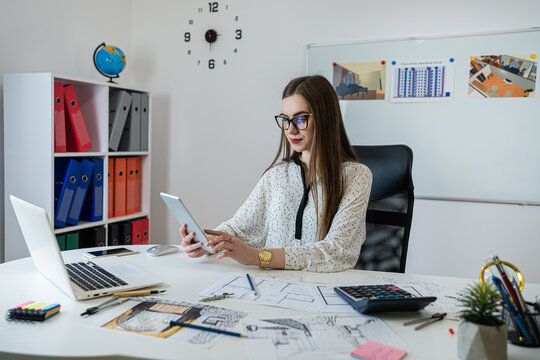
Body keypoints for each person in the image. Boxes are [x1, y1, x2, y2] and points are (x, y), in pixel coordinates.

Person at [180, 75, 372, 272]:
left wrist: (256, 256)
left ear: (325, 118)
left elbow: (336, 252)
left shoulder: (356, 176)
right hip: (272, 287)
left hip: (324, 290)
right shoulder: (277, 175)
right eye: (285, 120)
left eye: (300, 119)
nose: (290, 130)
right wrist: (206, 243)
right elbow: (239, 228)